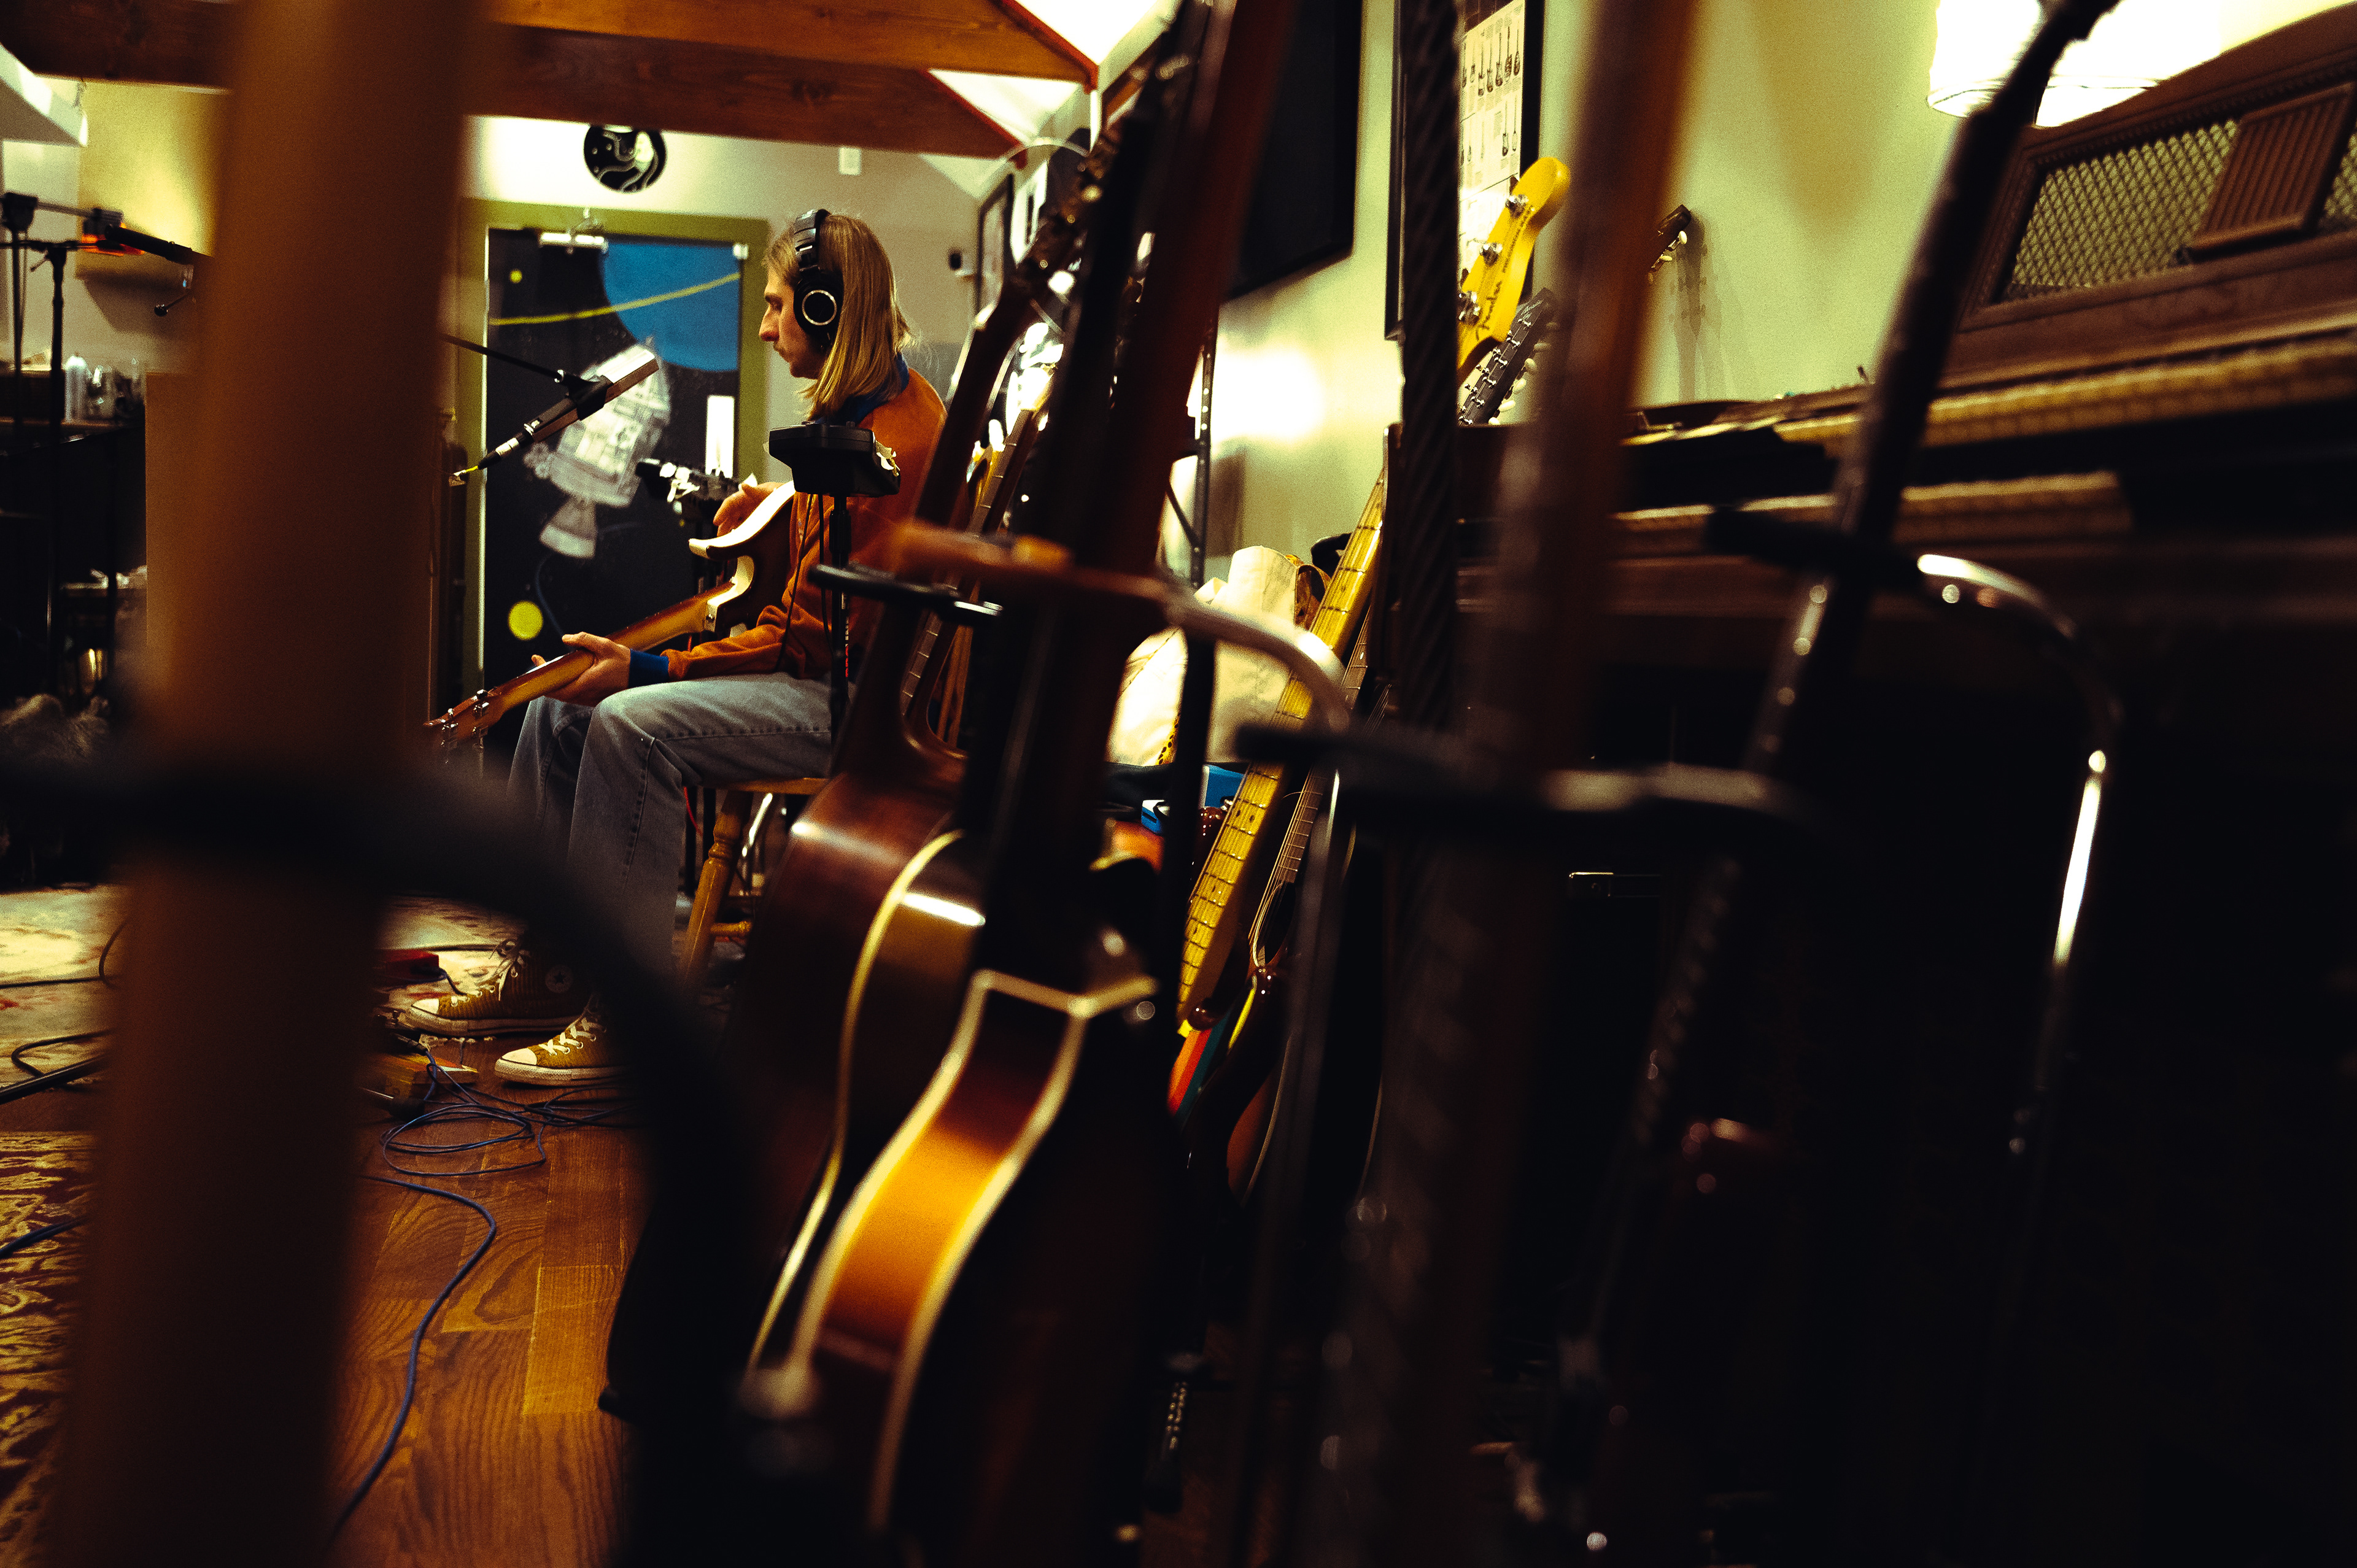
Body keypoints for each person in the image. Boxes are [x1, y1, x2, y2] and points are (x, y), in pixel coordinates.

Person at [407, 211, 945, 1084]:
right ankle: (552, 966)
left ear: (824, 309)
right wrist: (773, 508)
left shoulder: (890, 447)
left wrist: (654, 669)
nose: (765, 327)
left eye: (777, 306)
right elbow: (825, 585)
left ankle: (627, 1016)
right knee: (555, 711)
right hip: (822, 677)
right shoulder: (861, 418)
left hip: (851, 710)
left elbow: (806, 645)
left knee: (630, 726)